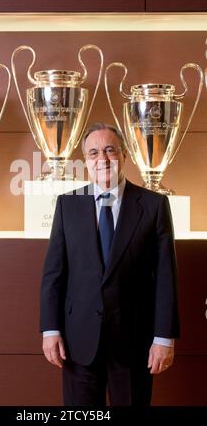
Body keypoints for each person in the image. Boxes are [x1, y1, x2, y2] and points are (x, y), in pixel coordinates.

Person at [40, 122, 180, 406]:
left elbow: (166, 277)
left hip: (133, 343)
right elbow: (54, 273)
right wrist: (50, 329)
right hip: (77, 343)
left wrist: (164, 338)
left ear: (124, 156)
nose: (102, 159)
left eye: (109, 150)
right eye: (93, 153)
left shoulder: (153, 206)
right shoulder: (67, 205)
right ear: (86, 161)